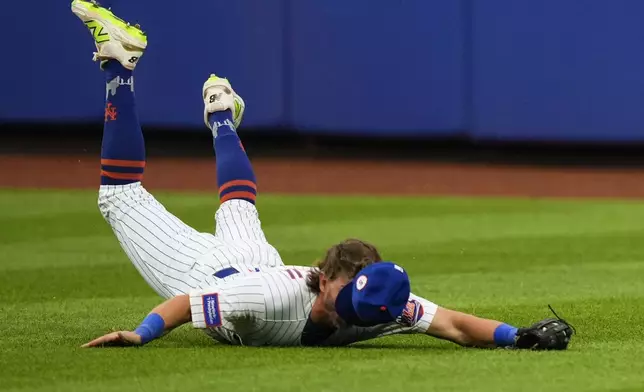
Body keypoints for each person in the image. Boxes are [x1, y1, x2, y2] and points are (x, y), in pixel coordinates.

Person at [72, 0, 574, 350]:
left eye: (361, 310)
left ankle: (222, 115)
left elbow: (456, 325)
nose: (348, 315)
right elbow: (184, 303)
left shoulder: (381, 302)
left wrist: (519, 335)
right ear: (326, 276)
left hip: (256, 260)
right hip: (211, 272)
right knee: (119, 196)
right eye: (345, 299)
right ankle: (121, 69)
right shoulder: (271, 301)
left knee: (238, 203)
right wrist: (142, 333)